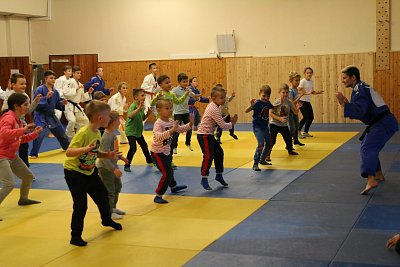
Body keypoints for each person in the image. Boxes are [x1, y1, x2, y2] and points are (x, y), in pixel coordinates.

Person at [64, 100, 123, 247]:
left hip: (90, 171)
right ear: (100, 118)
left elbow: (95, 152)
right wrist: (84, 149)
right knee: (81, 205)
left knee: (102, 197)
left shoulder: (97, 133)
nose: (110, 119)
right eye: (108, 116)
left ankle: (106, 219)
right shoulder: (84, 132)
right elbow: (69, 152)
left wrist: (107, 154)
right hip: (74, 173)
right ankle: (75, 236)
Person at [335, 65, 398, 195]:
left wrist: (344, 104)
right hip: (383, 122)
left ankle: (371, 179)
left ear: (353, 77)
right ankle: (378, 174)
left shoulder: (360, 89)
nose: (343, 80)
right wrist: (348, 105)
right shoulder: (361, 87)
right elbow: (362, 110)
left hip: (383, 122)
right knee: (367, 144)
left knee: (368, 148)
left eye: (345, 78)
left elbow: (360, 110)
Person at [0, 93, 43, 220]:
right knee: (9, 184)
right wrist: (23, 130)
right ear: (16, 106)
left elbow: (18, 138)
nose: (28, 107)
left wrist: (34, 134)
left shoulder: (17, 119)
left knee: (28, 177)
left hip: (11, 155)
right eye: (26, 104)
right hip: (1, 155)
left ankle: (23, 199)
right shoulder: (9, 118)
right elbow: (3, 134)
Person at [151, 99, 192, 204]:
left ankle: (173, 186)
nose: (170, 111)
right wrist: (171, 130)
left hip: (167, 152)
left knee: (170, 171)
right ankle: (158, 195)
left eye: (171, 108)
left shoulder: (171, 121)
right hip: (158, 153)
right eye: (167, 108)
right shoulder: (158, 123)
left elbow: (180, 129)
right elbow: (158, 136)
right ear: (159, 111)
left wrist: (189, 125)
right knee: (167, 173)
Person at [197, 86, 238, 190]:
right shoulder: (213, 108)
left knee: (219, 152)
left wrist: (225, 120)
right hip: (204, 135)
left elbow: (216, 122)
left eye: (224, 97)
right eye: (221, 98)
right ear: (214, 98)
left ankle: (219, 175)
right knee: (208, 156)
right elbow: (223, 126)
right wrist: (232, 123)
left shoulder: (216, 106)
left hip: (209, 134)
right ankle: (204, 178)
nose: (224, 100)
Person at [2, 73, 41, 169]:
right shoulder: (10, 96)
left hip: (21, 125)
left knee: (23, 147)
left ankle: (25, 168)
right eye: (21, 84)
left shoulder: (25, 96)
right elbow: (4, 111)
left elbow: (28, 111)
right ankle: (5, 166)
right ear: (13, 84)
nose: (24, 86)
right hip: (11, 125)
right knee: (8, 146)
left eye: (25, 84)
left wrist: (35, 102)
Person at [151, 75, 190, 168]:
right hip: (161, 121)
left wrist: (186, 94)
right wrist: (157, 98)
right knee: (160, 140)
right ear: (160, 85)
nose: (169, 84)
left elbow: (178, 101)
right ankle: (157, 158)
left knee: (169, 142)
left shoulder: (172, 94)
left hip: (170, 120)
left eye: (170, 82)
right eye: (167, 82)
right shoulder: (160, 94)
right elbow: (152, 103)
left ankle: (169, 160)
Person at [29, 70, 70, 158]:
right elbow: (35, 103)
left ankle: (66, 146)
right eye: (51, 78)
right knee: (39, 133)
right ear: (46, 79)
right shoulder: (39, 89)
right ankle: (33, 153)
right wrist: (46, 98)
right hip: (40, 115)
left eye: (54, 78)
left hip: (50, 115)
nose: (53, 80)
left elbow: (56, 103)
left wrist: (61, 103)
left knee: (61, 132)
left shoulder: (55, 91)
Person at [97, 111, 129, 220]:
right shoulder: (106, 137)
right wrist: (113, 169)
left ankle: (113, 207)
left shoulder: (112, 134)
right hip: (105, 168)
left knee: (117, 187)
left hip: (112, 166)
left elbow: (112, 152)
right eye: (119, 120)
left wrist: (121, 157)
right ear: (114, 122)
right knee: (110, 190)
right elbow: (103, 156)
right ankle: (109, 211)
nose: (120, 122)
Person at [245, 85, 274, 171]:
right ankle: (255, 163)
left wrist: (282, 102)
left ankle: (262, 159)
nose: (265, 98)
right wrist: (251, 106)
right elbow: (246, 111)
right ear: (259, 94)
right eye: (264, 96)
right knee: (261, 143)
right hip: (257, 127)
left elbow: (274, 107)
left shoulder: (268, 103)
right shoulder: (257, 103)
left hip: (265, 127)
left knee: (269, 143)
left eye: (268, 96)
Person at [124, 89, 153, 172]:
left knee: (144, 145)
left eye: (144, 95)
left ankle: (149, 160)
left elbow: (142, 118)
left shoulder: (142, 106)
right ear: (136, 97)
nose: (144, 97)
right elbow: (129, 116)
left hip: (138, 132)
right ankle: (127, 164)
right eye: (142, 95)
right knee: (133, 148)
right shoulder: (133, 106)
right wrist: (138, 109)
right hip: (131, 131)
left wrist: (148, 113)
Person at [269, 84, 300, 156]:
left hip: (283, 125)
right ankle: (267, 154)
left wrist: (298, 108)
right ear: (279, 92)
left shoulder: (289, 103)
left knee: (289, 139)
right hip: (274, 124)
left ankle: (290, 150)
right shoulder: (277, 102)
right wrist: (279, 118)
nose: (285, 94)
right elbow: (271, 113)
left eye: (287, 92)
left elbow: (295, 112)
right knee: (272, 140)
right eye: (283, 92)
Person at [63, 66, 92, 138]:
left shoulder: (81, 85)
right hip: (69, 105)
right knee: (72, 121)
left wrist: (89, 93)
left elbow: (82, 98)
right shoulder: (69, 82)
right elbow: (65, 93)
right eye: (77, 73)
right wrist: (76, 89)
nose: (79, 74)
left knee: (86, 121)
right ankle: (68, 136)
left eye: (80, 73)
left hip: (77, 106)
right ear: (73, 73)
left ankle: (79, 136)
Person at [171, 73, 196, 153]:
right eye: (183, 82)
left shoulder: (188, 89)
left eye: (186, 81)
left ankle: (188, 143)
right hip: (178, 113)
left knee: (189, 127)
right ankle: (174, 146)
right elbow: (170, 96)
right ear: (179, 82)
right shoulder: (175, 90)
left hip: (186, 111)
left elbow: (193, 95)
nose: (185, 83)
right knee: (176, 130)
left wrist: (189, 91)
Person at [298, 67, 323, 137]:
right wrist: (304, 93)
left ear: (312, 74)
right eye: (307, 73)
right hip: (301, 101)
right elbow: (298, 90)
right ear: (305, 74)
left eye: (310, 73)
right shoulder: (302, 81)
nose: (309, 74)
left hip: (307, 101)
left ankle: (305, 132)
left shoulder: (311, 82)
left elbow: (311, 92)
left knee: (311, 117)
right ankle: (298, 130)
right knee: (305, 117)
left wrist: (317, 92)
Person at [288, 71, 305, 146]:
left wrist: (298, 104)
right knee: (292, 128)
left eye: (299, 80)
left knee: (297, 125)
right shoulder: (290, 90)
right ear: (291, 81)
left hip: (294, 110)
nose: (298, 82)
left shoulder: (296, 89)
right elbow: (291, 103)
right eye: (296, 80)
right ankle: (288, 143)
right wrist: (300, 96)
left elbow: (295, 102)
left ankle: (296, 140)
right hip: (290, 111)